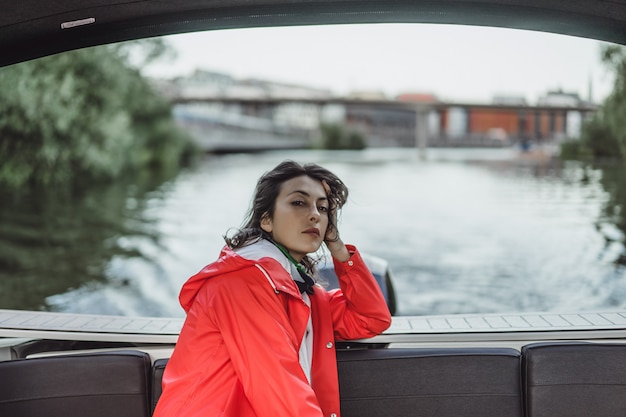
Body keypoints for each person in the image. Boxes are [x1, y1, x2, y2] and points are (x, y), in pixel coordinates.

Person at [153, 160, 391, 417]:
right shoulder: (239, 283)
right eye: (299, 202)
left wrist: (339, 249)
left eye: (322, 208)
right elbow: (281, 391)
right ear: (266, 220)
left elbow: (371, 318)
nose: (314, 215)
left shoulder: (303, 294)